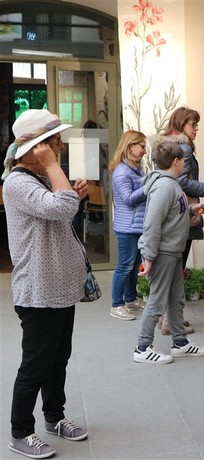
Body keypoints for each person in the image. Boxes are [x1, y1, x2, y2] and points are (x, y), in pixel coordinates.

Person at [2, 109, 89, 459]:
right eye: (55, 141)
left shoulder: (37, 180)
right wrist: (57, 174)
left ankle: (55, 417)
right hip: (38, 291)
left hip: (58, 288)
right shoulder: (18, 182)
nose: (61, 145)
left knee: (58, 359)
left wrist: (72, 195)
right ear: (38, 147)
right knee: (36, 365)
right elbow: (61, 209)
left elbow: (61, 212)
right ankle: (20, 432)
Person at [135, 138, 204, 364]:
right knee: (157, 300)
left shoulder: (171, 184)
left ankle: (180, 343)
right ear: (177, 161)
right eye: (183, 161)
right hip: (164, 252)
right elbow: (152, 222)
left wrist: (190, 211)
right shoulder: (165, 186)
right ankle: (142, 348)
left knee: (176, 299)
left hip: (172, 251)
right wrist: (148, 256)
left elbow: (170, 216)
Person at [163, 107, 204, 268]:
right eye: (193, 125)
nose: (196, 129)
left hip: (170, 210)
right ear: (181, 124)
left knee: (171, 266)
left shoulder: (166, 146)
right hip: (184, 209)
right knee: (178, 266)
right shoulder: (184, 148)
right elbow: (181, 181)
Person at [109, 130, 147, 321]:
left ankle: (130, 299)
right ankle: (116, 305)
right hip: (127, 228)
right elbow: (128, 199)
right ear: (130, 146)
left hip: (137, 226)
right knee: (125, 265)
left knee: (134, 266)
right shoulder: (122, 172)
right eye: (141, 146)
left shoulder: (135, 169)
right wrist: (148, 186)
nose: (145, 150)